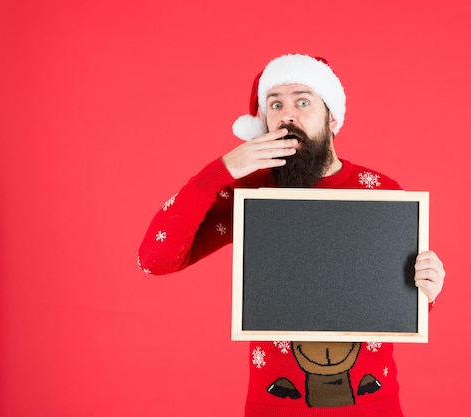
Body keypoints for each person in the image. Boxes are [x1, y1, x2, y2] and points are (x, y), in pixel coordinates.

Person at [137, 53, 445, 416]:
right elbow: (154, 260)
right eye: (275, 103)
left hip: (372, 406)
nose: (287, 114)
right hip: (273, 406)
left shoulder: (381, 193)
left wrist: (425, 291)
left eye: (302, 101)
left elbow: (398, 302)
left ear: (331, 117)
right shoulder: (249, 195)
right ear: (264, 121)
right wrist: (219, 172)